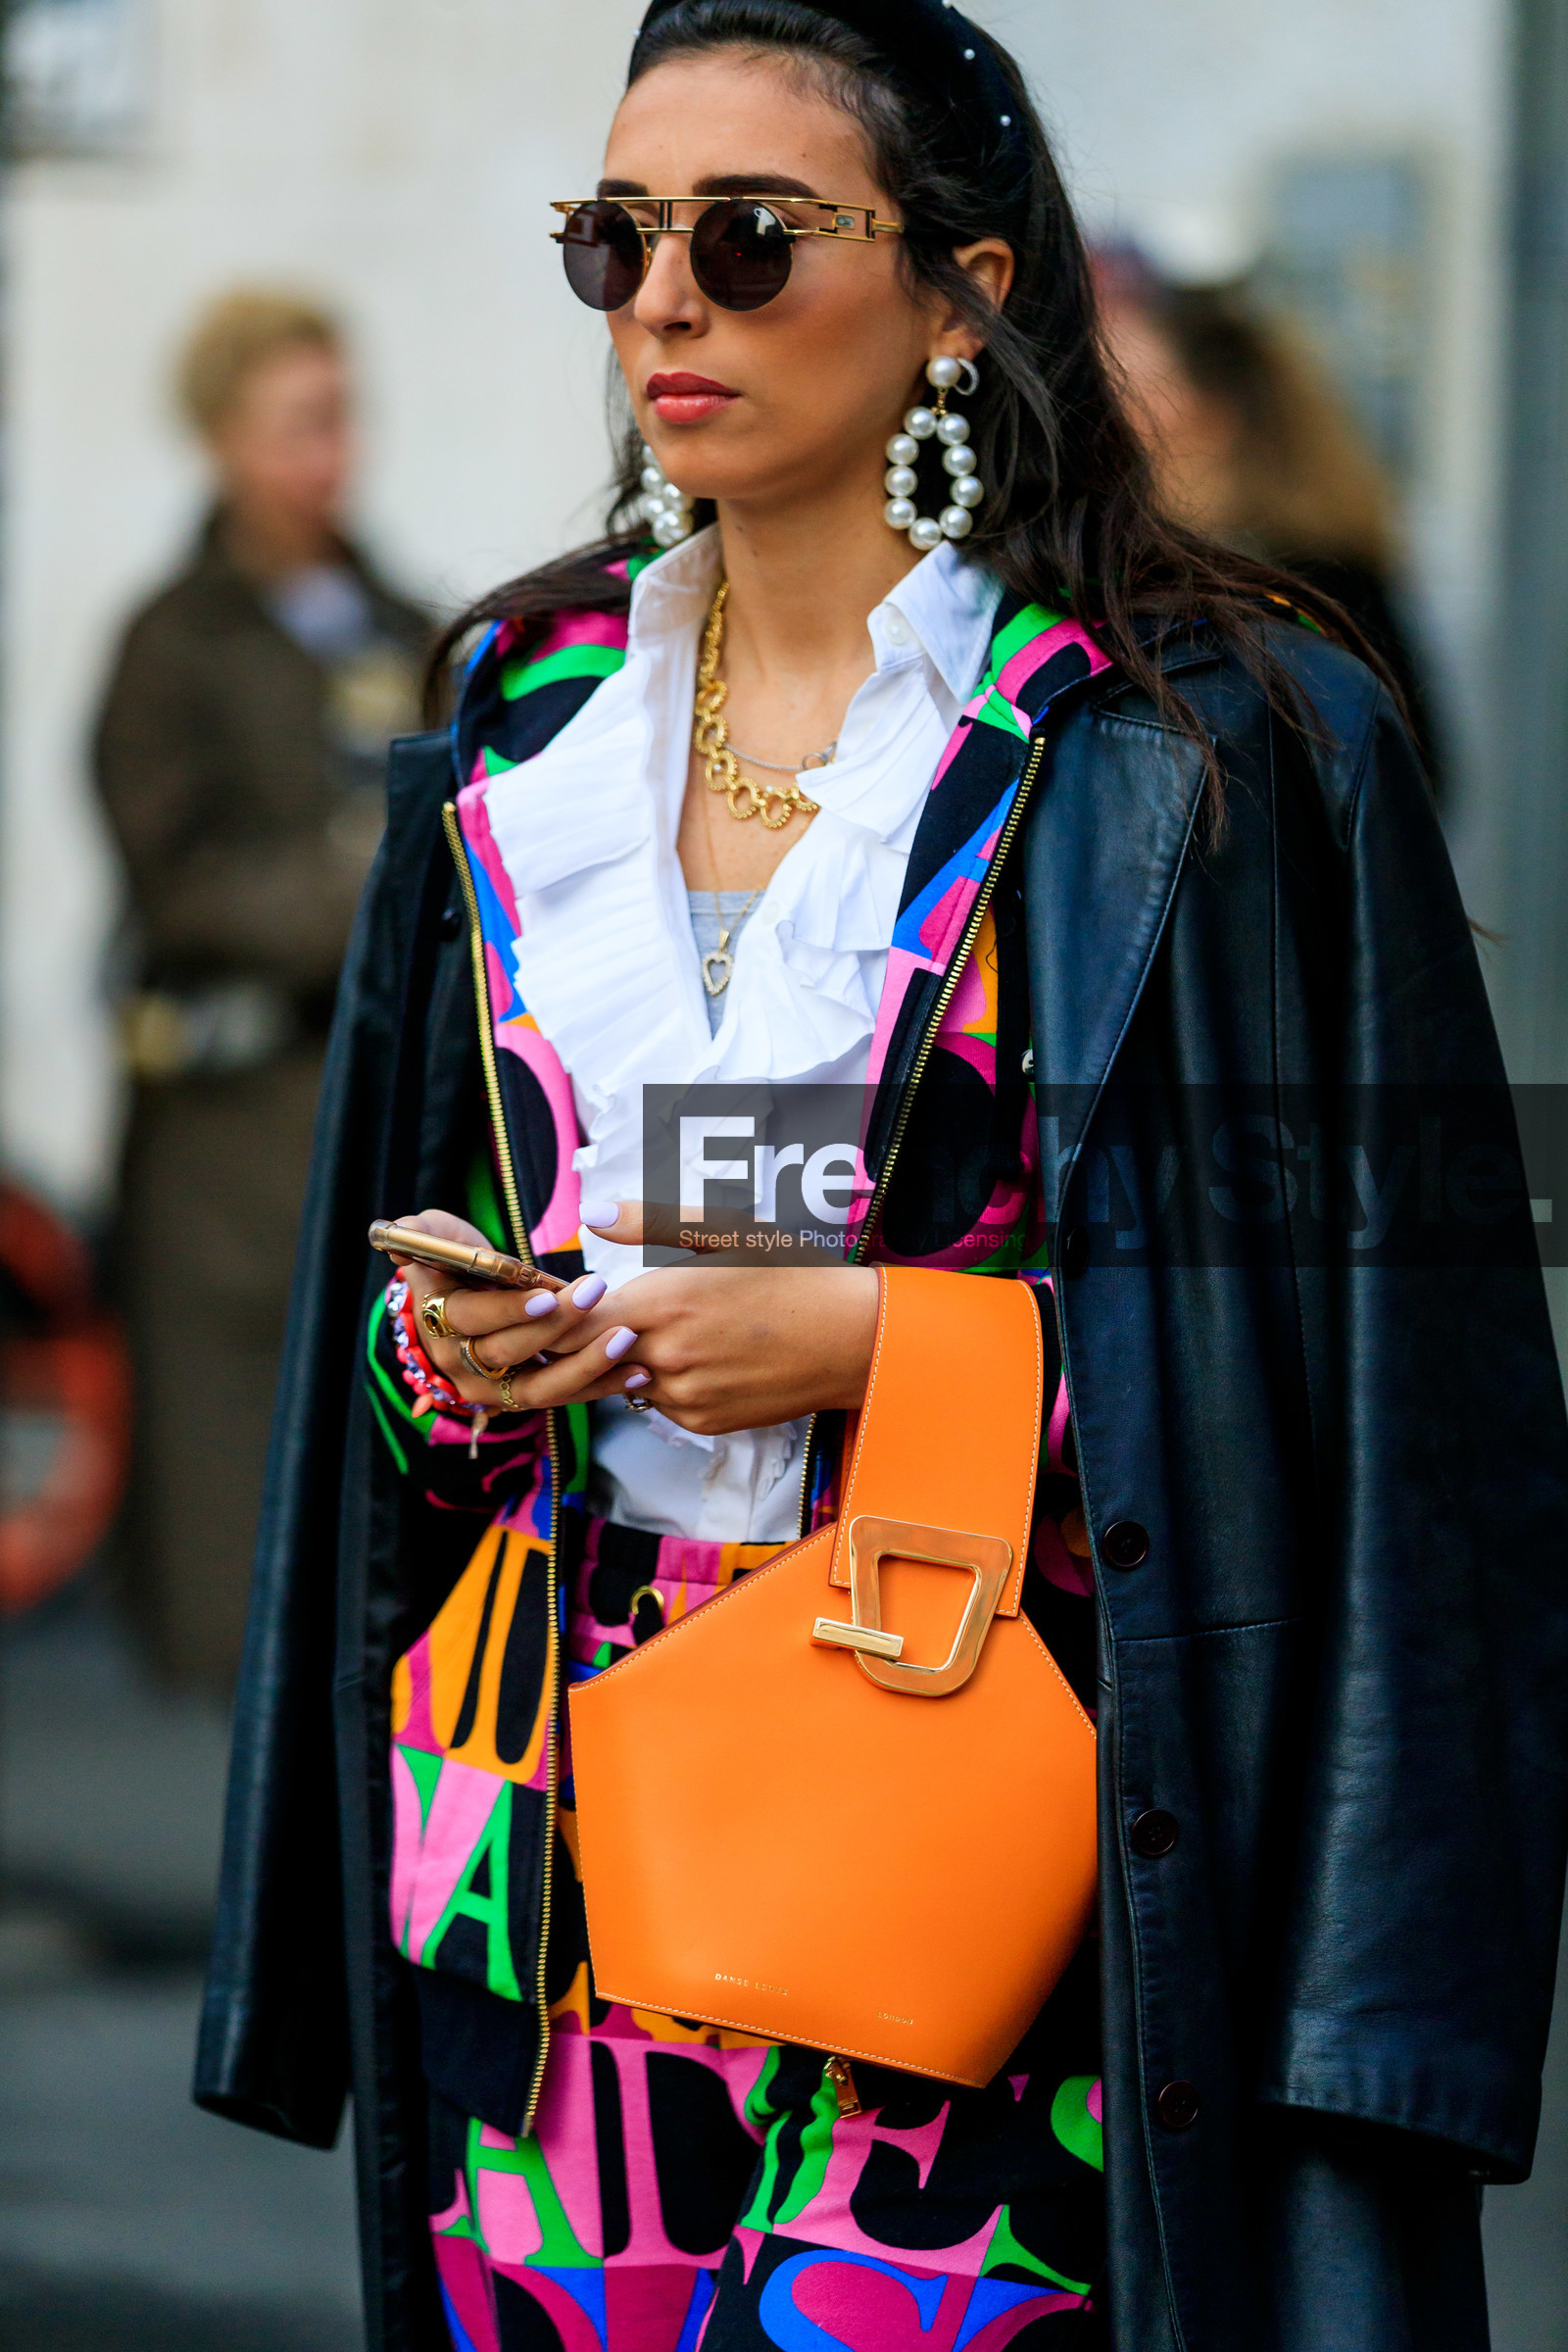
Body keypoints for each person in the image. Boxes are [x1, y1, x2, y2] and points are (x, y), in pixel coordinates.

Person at [196, 8, 1568, 2349]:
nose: (661, 300)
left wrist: (890, 1341)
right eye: (614, 238)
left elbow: (1394, 1402)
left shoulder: (1195, 743)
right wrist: (458, 1349)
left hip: (981, 1854)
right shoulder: (526, 710)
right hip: (536, 1862)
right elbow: (423, 1306)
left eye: (744, 236)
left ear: (961, 289)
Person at [95, 290, 429, 1690]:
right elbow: (177, 882)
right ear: (223, 439)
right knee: (237, 1514)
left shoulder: (401, 619)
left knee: (381, 1525)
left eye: (339, 416)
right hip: (230, 1138)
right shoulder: (175, 642)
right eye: (298, 423)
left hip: (380, 1110)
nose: (329, 453)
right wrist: (353, 876)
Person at [1095, 244, 1446, 791]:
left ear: (1213, 417)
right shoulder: (1120, 567)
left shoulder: (1305, 588)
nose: (1103, 421)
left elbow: (1408, 776)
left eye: (1130, 394)